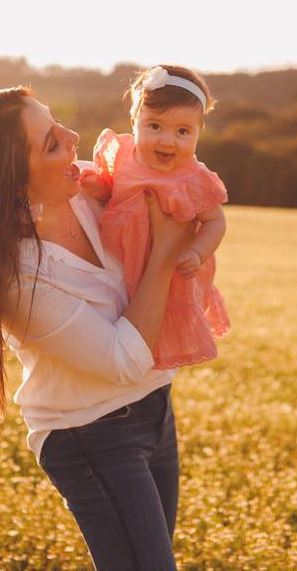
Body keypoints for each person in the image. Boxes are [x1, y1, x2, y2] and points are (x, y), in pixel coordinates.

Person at [0, 86, 196, 571]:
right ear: (10, 179)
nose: (74, 137)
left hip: (155, 407)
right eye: (50, 142)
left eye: (57, 123)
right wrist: (166, 255)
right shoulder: (17, 279)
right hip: (93, 435)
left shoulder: (87, 190)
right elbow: (123, 361)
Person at [79, 65, 229, 370]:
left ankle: (148, 367)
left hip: (168, 270)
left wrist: (197, 253)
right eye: (155, 126)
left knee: (156, 324)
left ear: (200, 131)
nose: (167, 141)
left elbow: (215, 221)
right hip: (118, 263)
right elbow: (117, 192)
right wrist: (100, 186)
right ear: (134, 122)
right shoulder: (121, 154)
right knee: (118, 319)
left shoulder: (193, 178)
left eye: (183, 131)